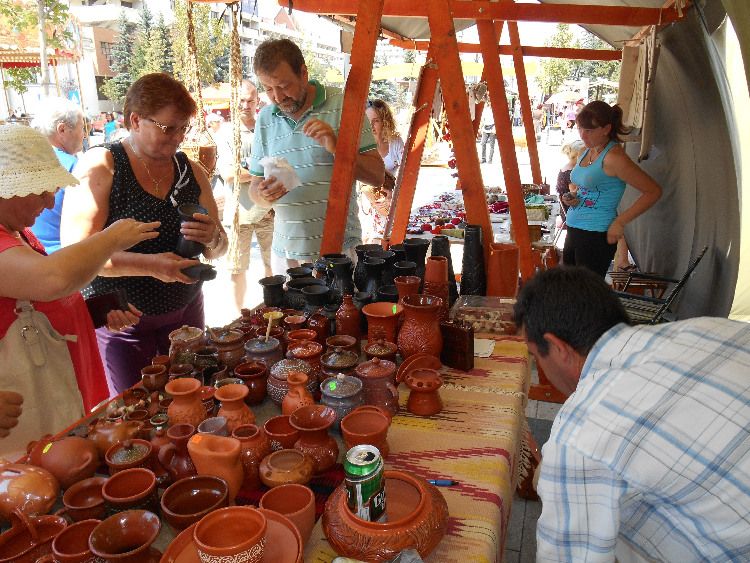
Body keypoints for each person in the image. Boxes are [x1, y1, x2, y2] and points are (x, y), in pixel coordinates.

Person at [513, 266, 750, 562]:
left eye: (536, 356)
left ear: (559, 348)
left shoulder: (580, 437)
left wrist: (554, 478)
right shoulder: (712, 328)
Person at [61, 72, 227, 395]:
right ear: (136, 120)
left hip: (186, 314)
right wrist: (150, 266)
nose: (178, 138)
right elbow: (75, 256)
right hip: (124, 323)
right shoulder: (103, 166)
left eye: (183, 128)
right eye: (168, 128)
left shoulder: (190, 171)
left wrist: (213, 238)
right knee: (136, 409)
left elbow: (219, 248)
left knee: (193, 397)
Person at [0, 124, 158, 454]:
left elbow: (32, 301)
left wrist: (90, 312)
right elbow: (51, 279)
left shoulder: (16, 231)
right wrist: (111, 237)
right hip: (30, 417)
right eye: (41, 190)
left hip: (60, 396)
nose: (49, 202)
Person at [248, 38, 384, 268]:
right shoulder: (265, 118)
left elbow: (377, 175)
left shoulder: (344, 105)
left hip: (339, 251)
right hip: (286, 254)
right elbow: (254, 187)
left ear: (303, 73)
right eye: (268, 89)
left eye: (284, 86)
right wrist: (263, 195)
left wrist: (337, 148)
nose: (278, 97)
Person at [562, 101, 661, 277]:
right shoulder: (586, 151)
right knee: (569, 286)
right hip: (574, 226)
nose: (583, 135)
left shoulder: (615, 158)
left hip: (596, 233)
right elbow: (588, 188)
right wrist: (573, 196)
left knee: (586, 290)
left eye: (589, 130)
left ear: (606, 129)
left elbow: (653, 191)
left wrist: (620, 222)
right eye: (580, 128)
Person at [217, 80, 274, 311]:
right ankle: (239, 317)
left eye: (250, 100)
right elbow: (229, 174)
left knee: (273, 265)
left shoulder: (266, 127)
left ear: (257, 101)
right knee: (237, 269)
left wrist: (251, 172)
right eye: (241, 100)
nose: (245, 105)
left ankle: (274, 309)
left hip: (268, 210)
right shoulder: (226, 132)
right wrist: (260, 172)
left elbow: (278, 166)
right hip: (237, 214)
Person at [30, 97, 85, 254]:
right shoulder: (74, 166)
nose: (84, 135)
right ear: (62, 130)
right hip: (62, 256)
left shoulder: (26, 159)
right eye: (82, 128)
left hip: (28, 252)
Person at [360, 98, 404, 242]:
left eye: (376, 121)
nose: (371, 126)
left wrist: (393, 195)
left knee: (394, 239)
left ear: (385, 121)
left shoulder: (395, 142)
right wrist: (372, 200)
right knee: (371, 242)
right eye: (368, 121)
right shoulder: (360, 145)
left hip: (392, 198)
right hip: (367, 201)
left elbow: (406, 174)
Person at [555, 139, 585, 212]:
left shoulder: (567, 167)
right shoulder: (571, 172)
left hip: (564, 208)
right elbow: (574, 196)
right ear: (578, 156)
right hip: (569, 209)